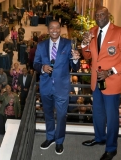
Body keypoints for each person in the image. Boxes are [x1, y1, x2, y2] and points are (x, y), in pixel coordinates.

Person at [81, 7, 121, 160]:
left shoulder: (120, 32)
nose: (99, 17)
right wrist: (84, 44)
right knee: (97, 113)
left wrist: (110, 71)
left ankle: (111, 148)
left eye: (102, 14)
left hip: (111, 82)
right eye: (97, 15)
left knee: (112, 118)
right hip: (96, 82)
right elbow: (87, 56)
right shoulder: (92, 31)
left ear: (108, 16)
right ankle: (99, 138)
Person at [33, 20, 80, 155]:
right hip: (45, 87)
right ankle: (50, 137)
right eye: (52, 28)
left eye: (57, 28)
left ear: (60, 29)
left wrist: (76, 59)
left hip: (62, 88)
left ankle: (59, 141)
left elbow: (75, 66)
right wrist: (42, 67)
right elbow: (35, 63)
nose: (54, 30)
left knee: (61, 116)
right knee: (48, 114)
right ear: (48, 30)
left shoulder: (68, 43)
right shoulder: (41, 45)